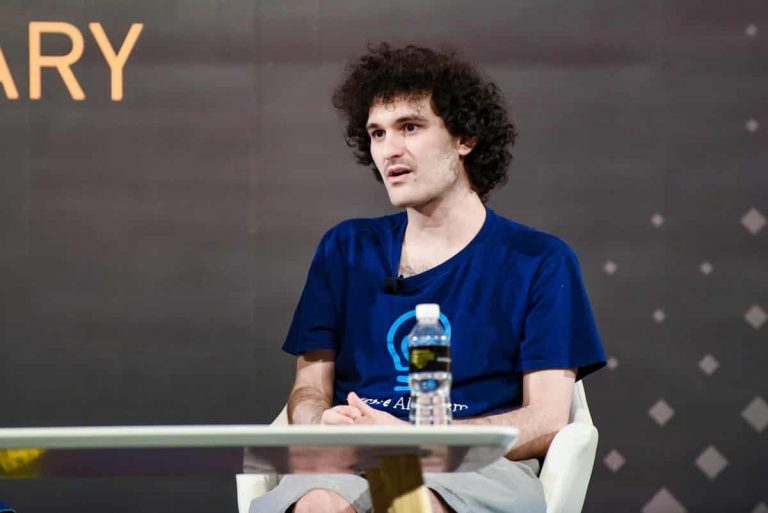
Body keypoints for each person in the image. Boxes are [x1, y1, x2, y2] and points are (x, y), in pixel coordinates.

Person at [248, 43, 606, 513]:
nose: (389, 150)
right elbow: (310, 388)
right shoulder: (345, 249)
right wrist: (322, 423)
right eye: (377, 133)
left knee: (408, 503)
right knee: (319, 504)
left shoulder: (539, 260)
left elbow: (546, 419)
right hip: (352, 460)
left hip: (469, 467)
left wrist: (419, 441)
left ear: (465, 137)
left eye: (410, 127)